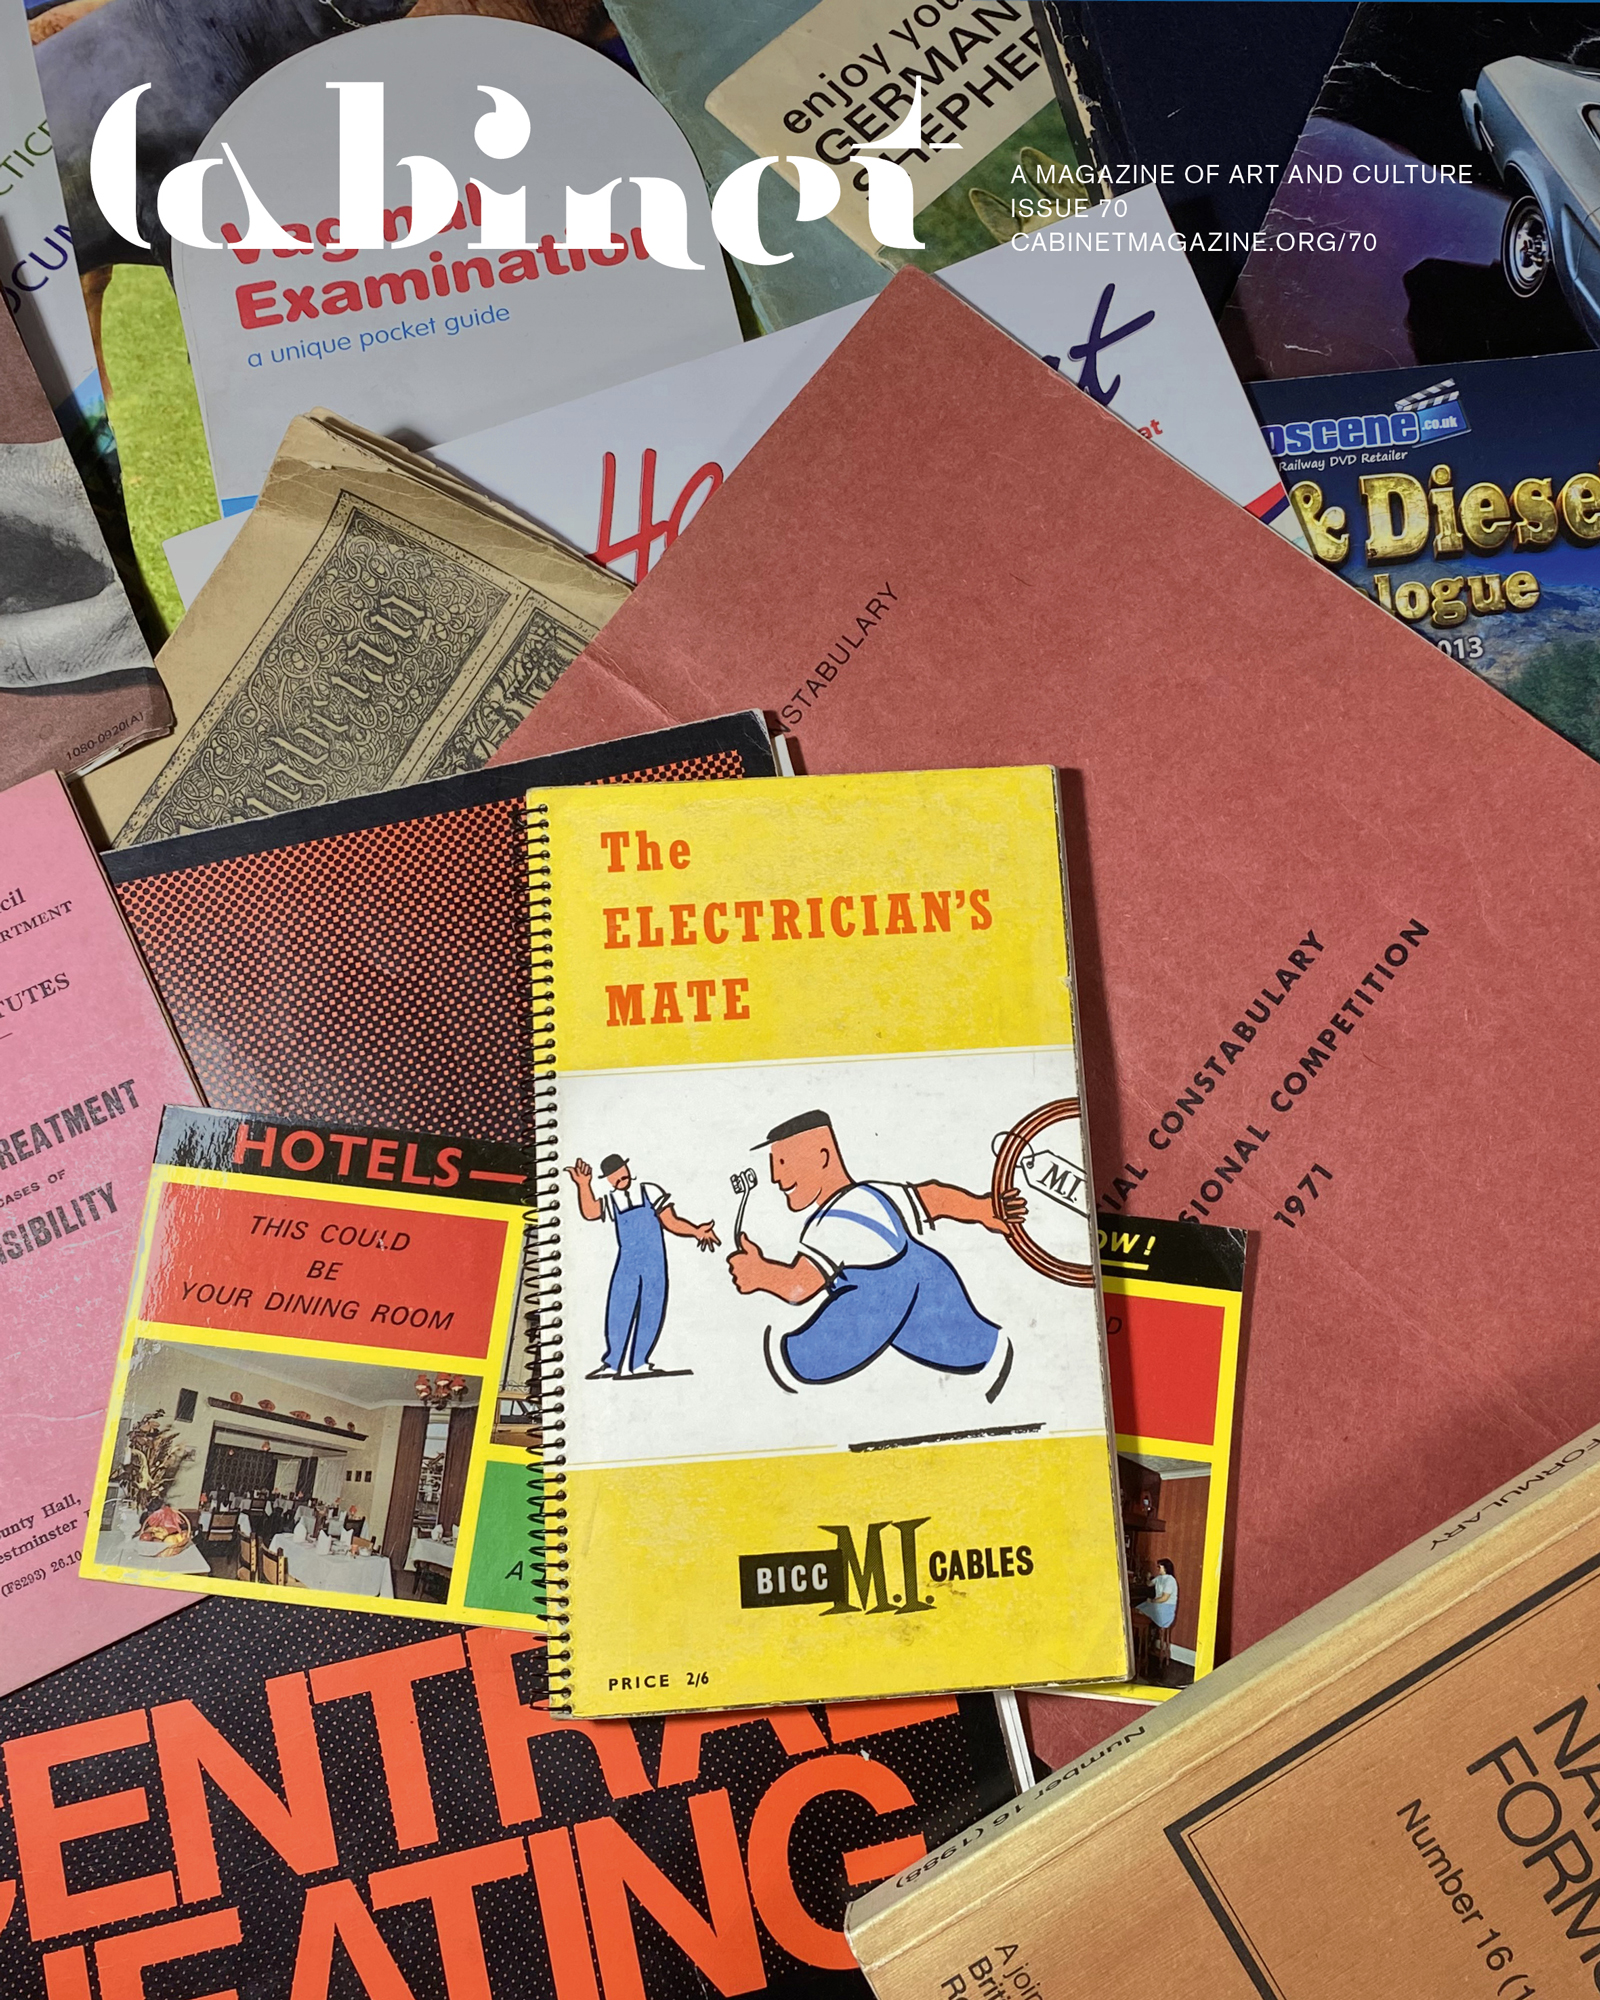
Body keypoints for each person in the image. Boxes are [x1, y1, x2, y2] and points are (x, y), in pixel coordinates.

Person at [726, 1110, 1024, 1387]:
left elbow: (800, 1286)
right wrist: (982, 1208)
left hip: (943, 1326)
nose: (776, 1178)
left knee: (810, 1349)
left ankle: (785, 1360)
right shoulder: (874, 1193)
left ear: (822, 1156)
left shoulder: (834, 1219)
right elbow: (934, 1198)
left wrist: (760, 1275)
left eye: (782, 1163)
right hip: (965, 1330)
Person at [568, 1154, 719, 1379]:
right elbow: (590, 1212)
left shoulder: (650, 1191)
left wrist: (696, 1230)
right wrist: (583, 1185)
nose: (619, 1178)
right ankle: (612, 1362)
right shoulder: (612, 1200)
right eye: (613, 1176)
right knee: (619, 1309)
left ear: (627, 1168)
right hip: (627, 1263)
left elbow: (671, 1222)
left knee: (652, 1309)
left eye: (621, 1171)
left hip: (654, 1262)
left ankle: (639, 1362)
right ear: (608, 1180)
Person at [1135, 1558, 1178, 1633]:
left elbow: (1164, 1598)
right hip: (1158, 1604)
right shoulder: (1159, 1578)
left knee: (1142, 1608)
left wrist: (1152, 1600)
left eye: (1159, 1567)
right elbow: (1149, 1584)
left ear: (1165, 1568)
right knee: (1138, 1608)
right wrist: (1148, 1577)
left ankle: (1149, 1630)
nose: (1158, 1568)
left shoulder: (1170, 1580)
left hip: (1165, 1608)